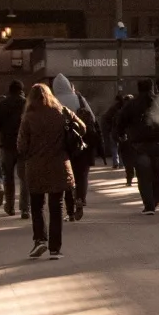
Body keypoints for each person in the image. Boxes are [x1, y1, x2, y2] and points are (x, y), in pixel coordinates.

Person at [16, 82, 78, 258]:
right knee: (56, 206)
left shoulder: (28, 117)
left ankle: (39, 240)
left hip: (35, 166)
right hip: (59, 165)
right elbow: (82, 127)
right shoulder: (61, 112)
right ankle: (55, 249)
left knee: (37, 205)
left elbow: (21, 146)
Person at [118, 78, 159, 213]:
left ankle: (149, 205)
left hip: (139, 144)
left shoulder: (132, 104)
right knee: (157, 173)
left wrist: (121, 135)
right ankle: (156, 199)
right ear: (152, 87)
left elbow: (120, 121)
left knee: (143, 175)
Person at [53, 73, 93, 220]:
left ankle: (70, 211)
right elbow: (92, 118)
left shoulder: (53, 101)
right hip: (81, 143)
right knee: (81, 174)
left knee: (67, 177)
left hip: (62, 145)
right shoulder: (79, 98)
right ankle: (80, 199)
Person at [0, 81, 27, 217]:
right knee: (24, 178)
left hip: (7, 145)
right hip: (23, 145)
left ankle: (10, 206)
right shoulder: (26, 104)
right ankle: (25, 208)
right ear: (21, 90)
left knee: (8, 177)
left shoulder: (2, 104)